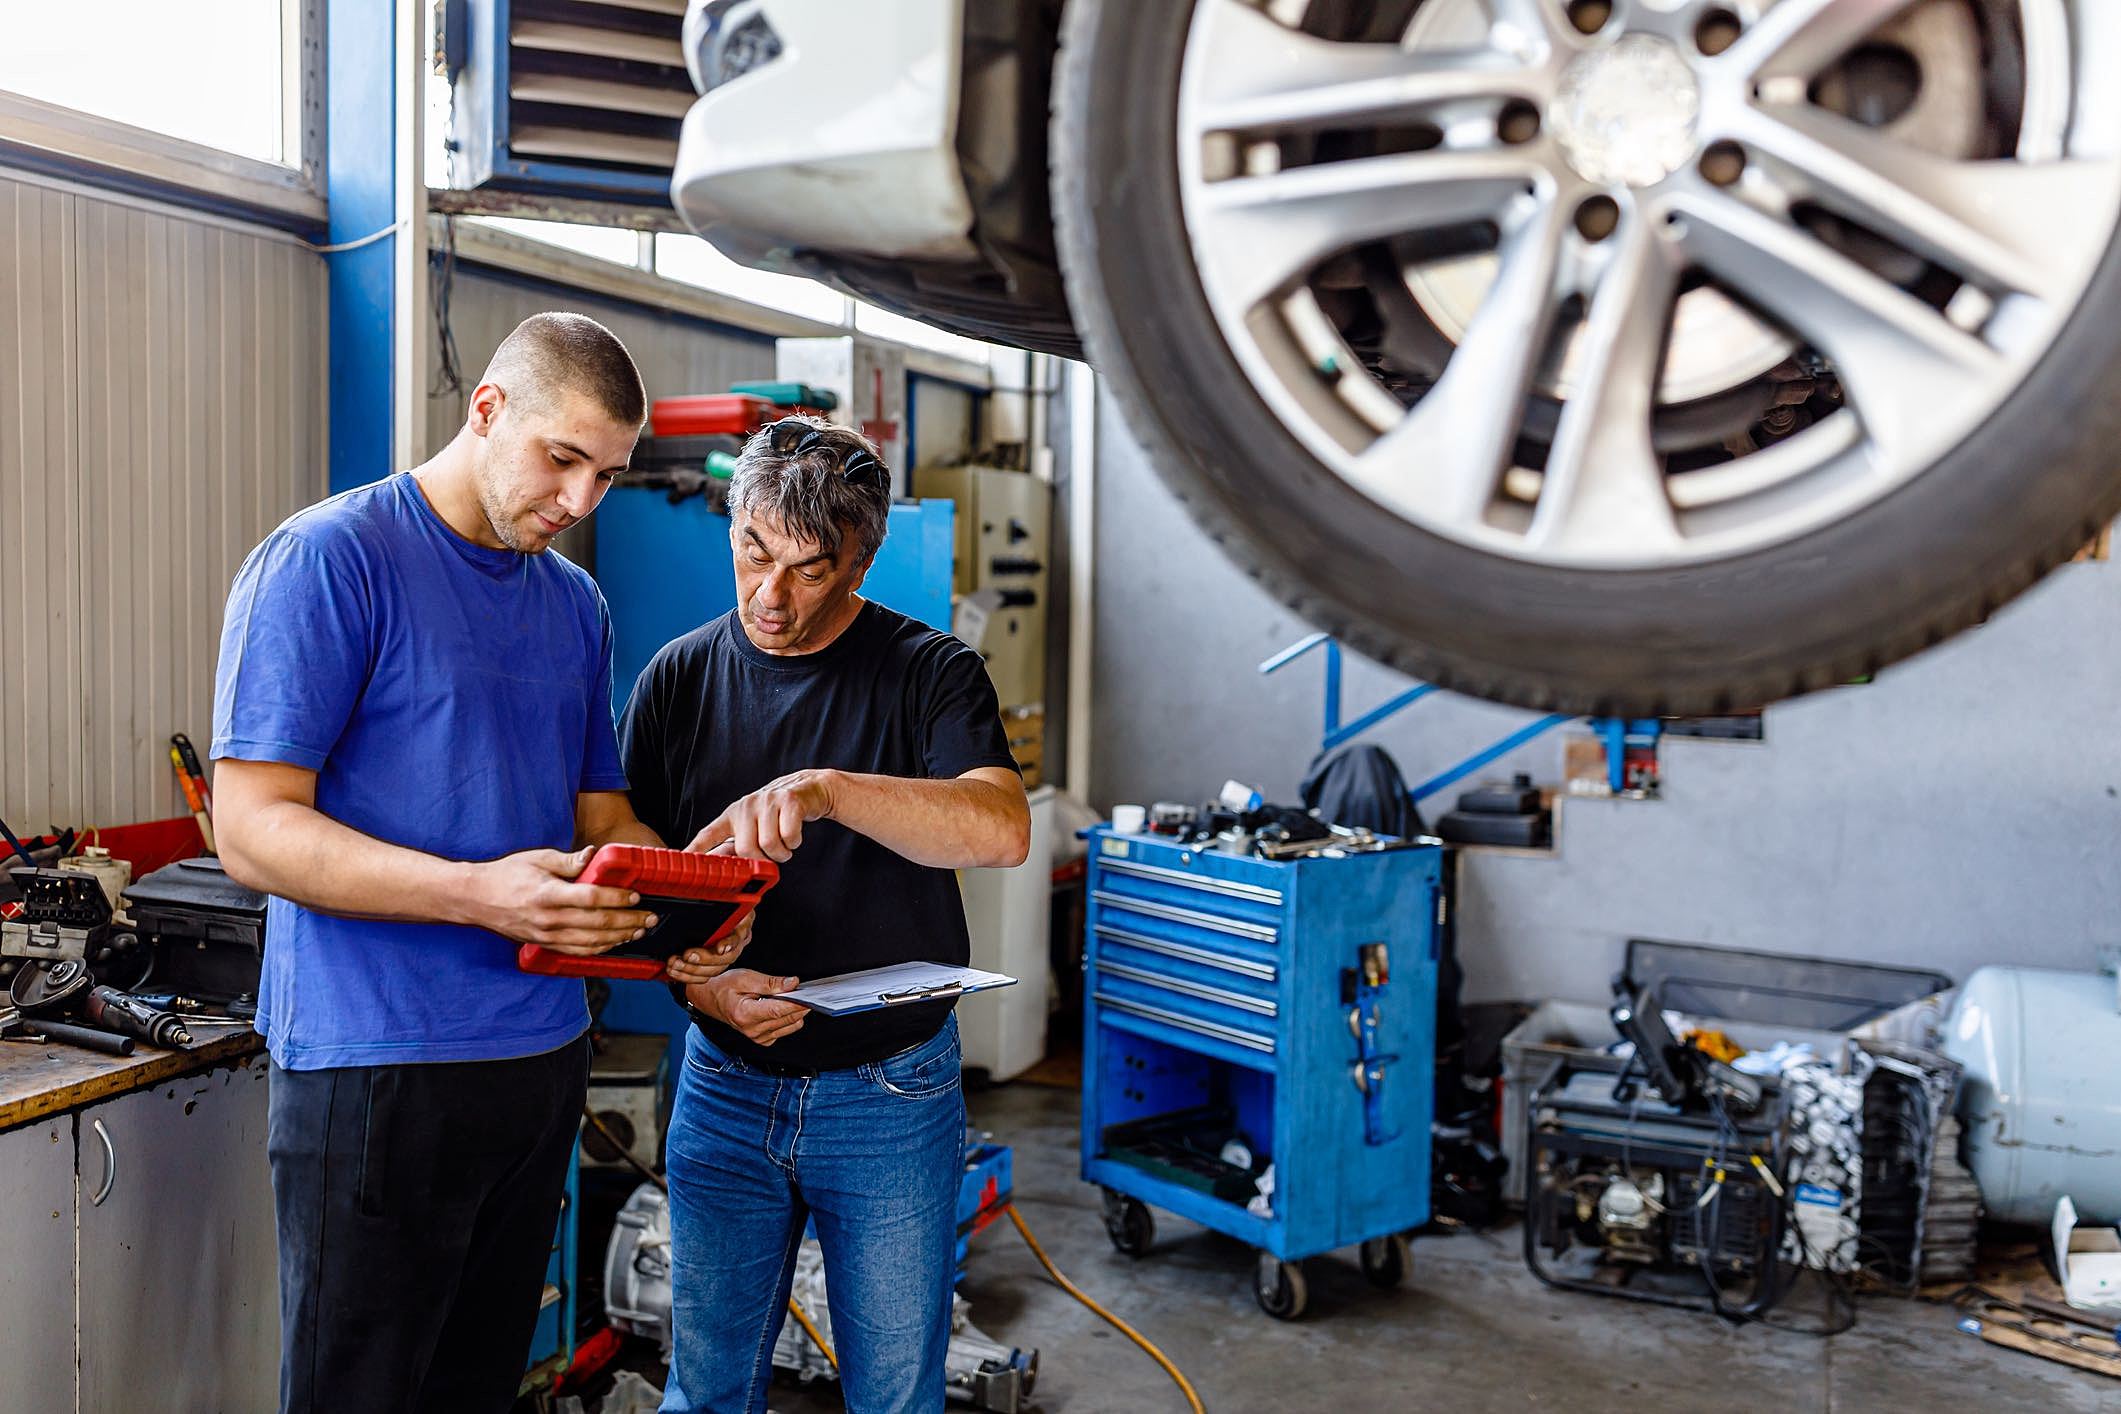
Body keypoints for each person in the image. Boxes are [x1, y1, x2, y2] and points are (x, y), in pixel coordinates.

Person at [211, 312, 746, 1413]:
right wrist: (479, 894)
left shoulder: (572, 604)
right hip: (376, 1068)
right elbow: (252, 827)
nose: (582, 501)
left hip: (538, 1059)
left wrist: (699, 894)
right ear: (487, 409)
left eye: (608, 474)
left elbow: (603, 816)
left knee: (480, 1387)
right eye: (563, 459)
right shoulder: (329, 561)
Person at [621, 415, 1031, 1413]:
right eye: (753, 553)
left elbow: (1001, 828)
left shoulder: (931, 674)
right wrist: (703, 988)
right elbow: (635, 885)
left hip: (889, 1096)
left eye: (809, 568)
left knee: (894, 1392)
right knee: (706, 1384)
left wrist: (827, 790)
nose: (772, 595)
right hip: (723, 1088)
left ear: (862, 556)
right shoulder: (677, 678)